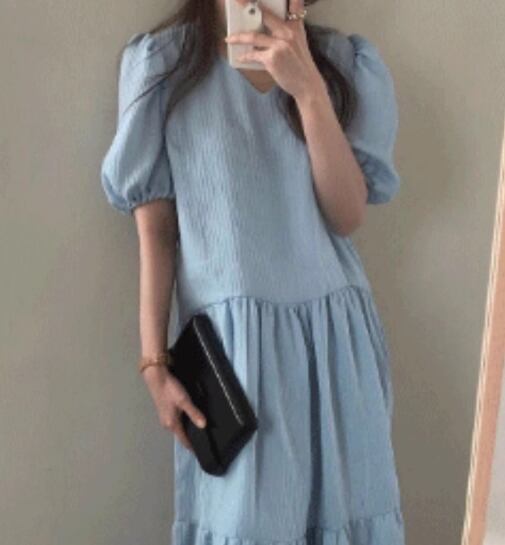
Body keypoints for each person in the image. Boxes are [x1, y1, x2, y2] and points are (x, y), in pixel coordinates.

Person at [100, 0, 406, 543]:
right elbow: (157, 233)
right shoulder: (165, 67)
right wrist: (154, 364)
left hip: (334, 345)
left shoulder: (339, 63)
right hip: (232, 358)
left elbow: (346, 215)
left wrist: (308, 90)